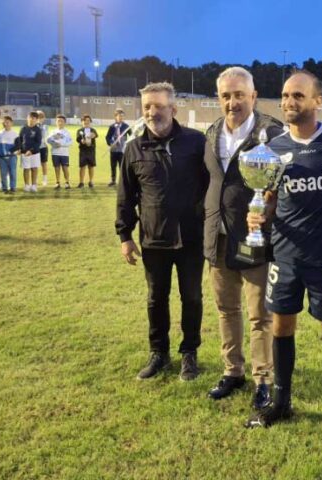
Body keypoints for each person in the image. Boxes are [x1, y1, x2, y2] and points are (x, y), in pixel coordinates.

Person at [245, 71, 322, 450]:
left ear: (317, 100)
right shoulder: (272, 147)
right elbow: (270, 197)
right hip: (285, 254)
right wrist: (260, 212)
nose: (289, 102)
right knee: (281, 328)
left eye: (298, 96)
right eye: (285, 96)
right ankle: (281, 401)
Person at [115, 82, 207, 381]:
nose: (152, 112)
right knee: (156, 298)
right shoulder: (134, 148)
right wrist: (125, 236)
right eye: (146, 107)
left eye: (158, 106)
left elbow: (211, 186)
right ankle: (159, 353)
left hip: (192, 237)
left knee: (191, 297)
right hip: (154, 239)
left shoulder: (196, 142)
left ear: (173, 109)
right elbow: (126, 196)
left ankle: (189, 353)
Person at [204, 67, 284, 410]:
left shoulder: (273, 134)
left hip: (255, 237)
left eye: (239, 95)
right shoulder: (210, 133)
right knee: (226, 310)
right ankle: (232, 370)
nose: (232, 102)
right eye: (226, 96)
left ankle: (263, 379)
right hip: (217, 236)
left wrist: (269, 213)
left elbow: (286, 187)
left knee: (260, 315)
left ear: (253, 96)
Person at [105, 109, 131, 187]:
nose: (120, 117)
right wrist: (110, 143)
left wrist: (127, 143)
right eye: (119, 116)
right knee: (113, 166)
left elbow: (131, 136)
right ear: (115, 117)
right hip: (114, 150)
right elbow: (107, 137)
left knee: (122, 166)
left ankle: (122, 181)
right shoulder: (112, 127)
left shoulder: (126, 126)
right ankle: (113, 180)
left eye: (122, 116)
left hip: (122, 150)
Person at [17, 111, 42, 193]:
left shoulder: (38, 130)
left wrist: (31, 151)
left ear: (37, 120)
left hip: (34, 153)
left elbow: (38, 142)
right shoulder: (23, 128)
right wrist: (19, 149)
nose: (32, 120)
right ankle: (27, 185)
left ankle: (34, 185)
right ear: (27, 118)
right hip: (24, 153)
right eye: (30, 118)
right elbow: (20, 140)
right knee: (26, 169)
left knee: (34, 168)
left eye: (34, 118)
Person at [47, 114, 73, 189]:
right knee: (57, 168)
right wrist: (54, 144)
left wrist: (61, 144)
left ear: (64, 122)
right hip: (55, 153)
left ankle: (67, 182)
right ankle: (57, 182)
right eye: (58, 121)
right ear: (56, 122)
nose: (60, 123)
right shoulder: (53, 131)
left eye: (62, 121)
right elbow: (48, 140)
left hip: (64, 153)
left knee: (65, 168)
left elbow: (70, 142)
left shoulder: (67, 132)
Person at [0, 116, 19, 193]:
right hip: (2, 158)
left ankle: (13, 188)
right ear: (3, 123)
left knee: (13, 173)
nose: (6, 124)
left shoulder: (15, 134)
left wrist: (10, 151)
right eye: (5, 122)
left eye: (8, 122)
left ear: (11, 123)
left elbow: (18, 145)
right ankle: (4, 188)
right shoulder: (0, 134)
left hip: (12, 157)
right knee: (3, 174)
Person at [75, 115, 98, 188]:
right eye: (84, 120)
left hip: (91, 150)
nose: (86, 122)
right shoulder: (79, 130)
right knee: (82, 167)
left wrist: (93, 135)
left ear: (90, 122)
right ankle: (81, 182)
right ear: (82, 122)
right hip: (83, 151)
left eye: (88, 120)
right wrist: (82, 141)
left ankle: (91, 181)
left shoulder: (93, 130)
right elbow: (78, 139)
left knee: (91, 166)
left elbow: (96, 135)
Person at [37, 110, 49, 186]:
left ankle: (45, 179)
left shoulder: (45, 127)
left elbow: (44, 136)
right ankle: (35, 179)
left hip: (43, 147)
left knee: (44, 163)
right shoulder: (33, 127)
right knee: (35, 164)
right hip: (35, 148)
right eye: (38, 117)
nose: (40, 119)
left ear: (44, 118)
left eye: (41, 117)